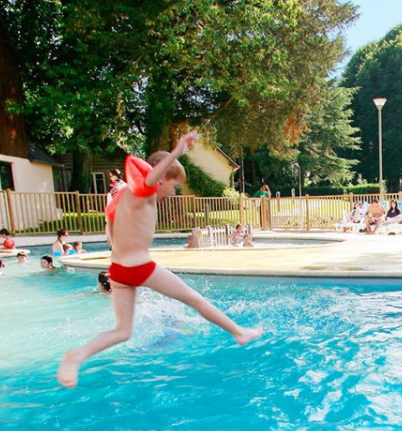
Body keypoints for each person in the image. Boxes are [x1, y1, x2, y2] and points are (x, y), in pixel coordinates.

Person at [57, 132, 263, 388]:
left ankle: (78, 356)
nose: (174, 193)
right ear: (162, 177)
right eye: (174, 186)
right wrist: (177, 150)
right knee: (194, 299)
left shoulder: (125, 200)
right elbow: (151, 179)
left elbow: (111, 229)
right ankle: (239, 332)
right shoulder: (142, 194)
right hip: (140, 267)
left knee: (122, 331)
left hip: (119, 271)